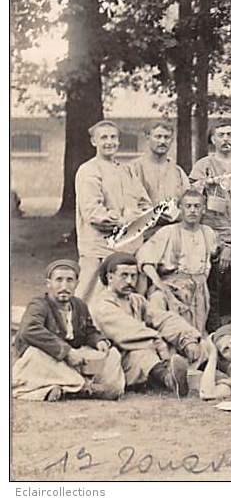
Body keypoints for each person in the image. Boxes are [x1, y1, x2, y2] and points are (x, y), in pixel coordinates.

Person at [12, 260, 124, 401]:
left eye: (70, 280)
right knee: (37, 355)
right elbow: (29, 329)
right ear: (48, 283)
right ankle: (86, 389)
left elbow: (89, 331)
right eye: (58, 280)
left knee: (112, 354)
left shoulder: (79, 305)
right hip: (46, 360)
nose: (64, 286)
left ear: (77, 283)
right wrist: (66, 352)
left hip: (71, 360)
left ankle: (69, 388)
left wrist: (99, 341)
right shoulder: (39, 304)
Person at [89, 253, 197, 395]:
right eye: (124, 275)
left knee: (187, 344)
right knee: (144, 355)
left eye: (133, 276)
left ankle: (198, 373)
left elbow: (161, 318)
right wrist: (159, 343)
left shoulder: (136, 299)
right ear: (110, 277)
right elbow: (129, 332)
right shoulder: (103, 304)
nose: (130, 281)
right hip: (118, 359)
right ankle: (169, 380)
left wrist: (186, 338)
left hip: (144, 350)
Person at [75, 120, 152, 304]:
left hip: (129, 247)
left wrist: (138, 217)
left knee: (126, 296)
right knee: (92, 296)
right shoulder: (88, 170)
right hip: (100, 247)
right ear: (94, 142)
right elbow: (93, 212)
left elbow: (145, 204)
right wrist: (125, 220)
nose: (109, 142)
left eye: (113, 137)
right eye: (104, 138)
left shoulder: (126, 170)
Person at [137, 189, 218, 334]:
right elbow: (145, 262)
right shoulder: (168, 232)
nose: (192, 210)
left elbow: (213, 256)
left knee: (195, 335)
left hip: (198, 292)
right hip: (171, 288)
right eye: (188, 206)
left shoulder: (208, 233)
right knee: (168, 325)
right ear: (180, 208)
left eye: (197, 206)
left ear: (203, 209)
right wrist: (164, 290)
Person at [189, 121, 231, 250]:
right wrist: (206, 183)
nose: (225, 139)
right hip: (214, 230)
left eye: (229, 135)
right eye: (220, 135)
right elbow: (190, 194)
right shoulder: (203, 165)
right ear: (213, 139)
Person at [128, 121, 189, 235]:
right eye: (158, 137)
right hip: (143, 234)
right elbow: (129, 205)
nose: (162, 141)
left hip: (174, 232)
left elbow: (188, 203)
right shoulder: (133, 169)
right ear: (148, 137)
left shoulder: (177, 171)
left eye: (167, 137)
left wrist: (178, 214)